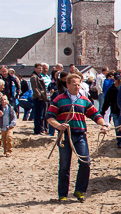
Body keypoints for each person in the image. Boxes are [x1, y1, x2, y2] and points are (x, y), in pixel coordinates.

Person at [46, 73, 108, 202]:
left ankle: (80, 191)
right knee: (64, 166)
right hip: (64, 136)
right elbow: (49, 117)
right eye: (74, 84)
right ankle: (62, 194)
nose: (77, 87)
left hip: (80, 135)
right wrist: (58, 126)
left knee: (86, 163)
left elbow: (95, 114)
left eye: (78, 84)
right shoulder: (58, 99)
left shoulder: (84, 100)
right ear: (67, 85)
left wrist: (103, 125)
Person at [101, 72, 121, 147]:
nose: (118, 81)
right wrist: (103, 111)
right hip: (115, 110)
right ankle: (119, 141)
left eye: (119, 80)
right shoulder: (111, 89)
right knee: (117, 126)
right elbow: (107, 101)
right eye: (117, 80)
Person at [29, 63, 48, 135]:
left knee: (42, 114)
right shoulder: (34, 77)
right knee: (38, 115)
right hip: (38, 98)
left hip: (42, 97)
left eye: (41, 68)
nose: (40, 70)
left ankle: (41, 128)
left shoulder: (40, 76)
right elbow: (35, 88)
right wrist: (40, 97)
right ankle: (37, 130)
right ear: (35, 68)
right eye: (39, 68)